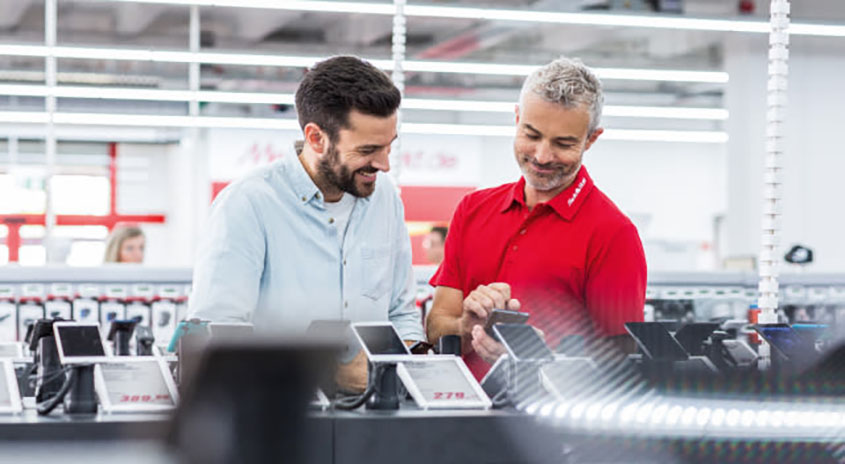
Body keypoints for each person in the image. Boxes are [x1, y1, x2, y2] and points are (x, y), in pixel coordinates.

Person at [189, 56, 425, 389]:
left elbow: (401, 314)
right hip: (280, 420)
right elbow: (218, 336)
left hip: (375, 418)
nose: (384, 164)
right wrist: (329, 373)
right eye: (369, 149)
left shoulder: (385, 199)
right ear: (316, 138)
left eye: (389, 146)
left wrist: (413, 363)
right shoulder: (248, 204)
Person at [425, 57, 647, 379]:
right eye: (531, 135)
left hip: (550, 424)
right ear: (517, 120)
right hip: (464, 414)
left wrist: (543, 360)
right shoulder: (472, 210)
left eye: (563, 143)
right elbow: (436, 328)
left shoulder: (613, 234)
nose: (542, 156)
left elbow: (621, 363)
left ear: (591, 139)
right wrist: (465, 326)